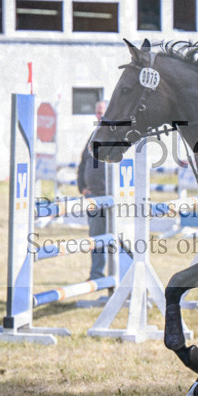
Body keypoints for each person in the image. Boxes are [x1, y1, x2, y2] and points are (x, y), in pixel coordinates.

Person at [77, 100, 109, 280]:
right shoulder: (93, 135)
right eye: (97, 113)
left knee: (120, 238)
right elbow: (83, 163)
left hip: (112, 197)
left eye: (102, 112)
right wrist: (82, 187)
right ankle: (96, 274)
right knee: (96, 238)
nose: (99, 116)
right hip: (94, 197)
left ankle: (123, 274)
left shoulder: (116, 135)